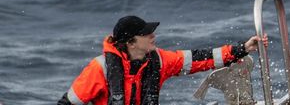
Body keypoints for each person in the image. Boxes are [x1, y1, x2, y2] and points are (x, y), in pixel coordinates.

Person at [58, 15, 263, 105]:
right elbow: (68, 103)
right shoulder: (100, 68)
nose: (153, 36)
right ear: (131, 43)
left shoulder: (160, 61)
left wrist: (242, 49)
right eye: (146, 34)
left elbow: (200, 58)